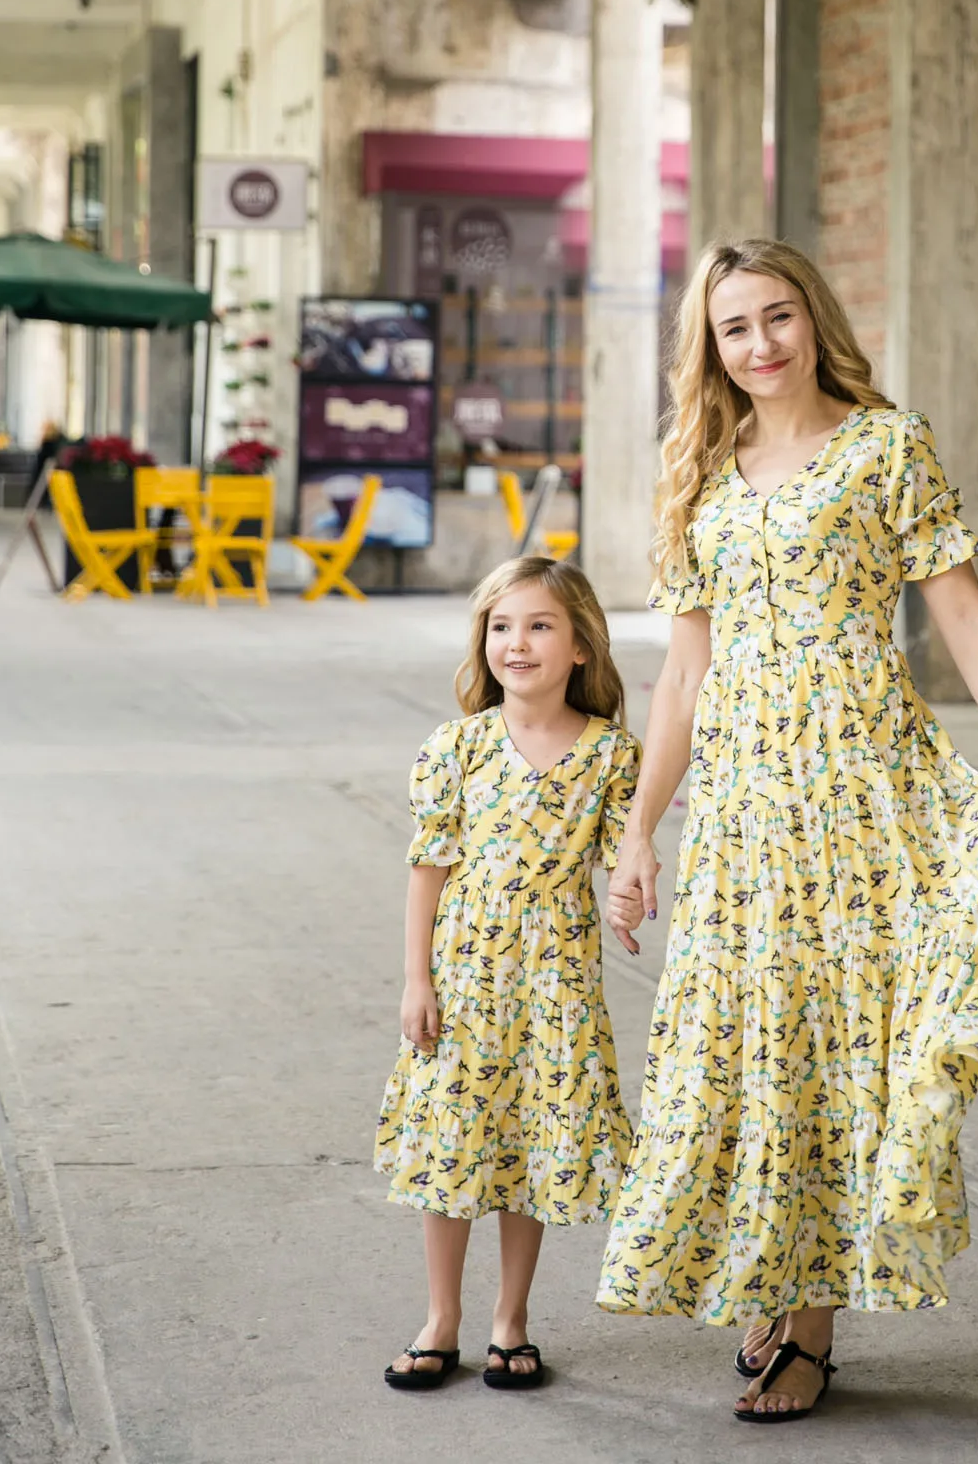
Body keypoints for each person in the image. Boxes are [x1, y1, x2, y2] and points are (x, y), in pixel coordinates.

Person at [597, 239, 978, 1424]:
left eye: (777, 317)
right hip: (745, 812)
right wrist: (639, 830)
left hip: (861, 795)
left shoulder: (883, 445)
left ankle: (807, 1324)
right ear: (707, 350)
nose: (759, 345)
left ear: (813, 319)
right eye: (733, 329)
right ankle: (771, 1267)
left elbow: (958, 605)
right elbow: (681, 675)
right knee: (740, 1043)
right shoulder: (699, 467)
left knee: (823, 1044)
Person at [375, 556, 641, 1393]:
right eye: (500, 626)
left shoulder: (611, 757)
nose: (516, 643)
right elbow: (428, 868)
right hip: (465, 976)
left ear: (580, 650)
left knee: (531, 1144)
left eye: (539, 626)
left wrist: (629, 901)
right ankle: (440, 1317)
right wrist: (416, 980)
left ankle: (510, 1320)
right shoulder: (454, 749)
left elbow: (618, 862)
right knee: (453, 1145)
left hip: (557, 979)